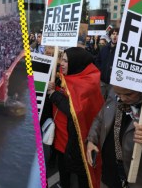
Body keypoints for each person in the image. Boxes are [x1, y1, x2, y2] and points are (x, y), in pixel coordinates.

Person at [86, 86, 142, 188]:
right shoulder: (114, 92)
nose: (122, 98)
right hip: (109, 176)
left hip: (139, 182)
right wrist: (92, 139)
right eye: (118, 94)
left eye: (129, 94)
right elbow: (101, 117)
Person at [47, 47, 104, 188]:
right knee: (64, 174)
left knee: (83, 177)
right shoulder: (62, 78)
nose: (62, 63)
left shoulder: (88, 83)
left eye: (66, 61)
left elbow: (75, 111)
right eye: (62, 59)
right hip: (60, 139)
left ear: (76, 63)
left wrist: (54, 94)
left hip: (77, 142)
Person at [95, 28, 119, 99]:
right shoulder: (104, 49)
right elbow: (97, 60)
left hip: (113, 84)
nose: (115, 36)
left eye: (117, 34)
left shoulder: (121, 50)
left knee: (110, 103)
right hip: (102, 81)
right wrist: (101, 70)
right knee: (100, 101)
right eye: (113, 34)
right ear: (110, 36)